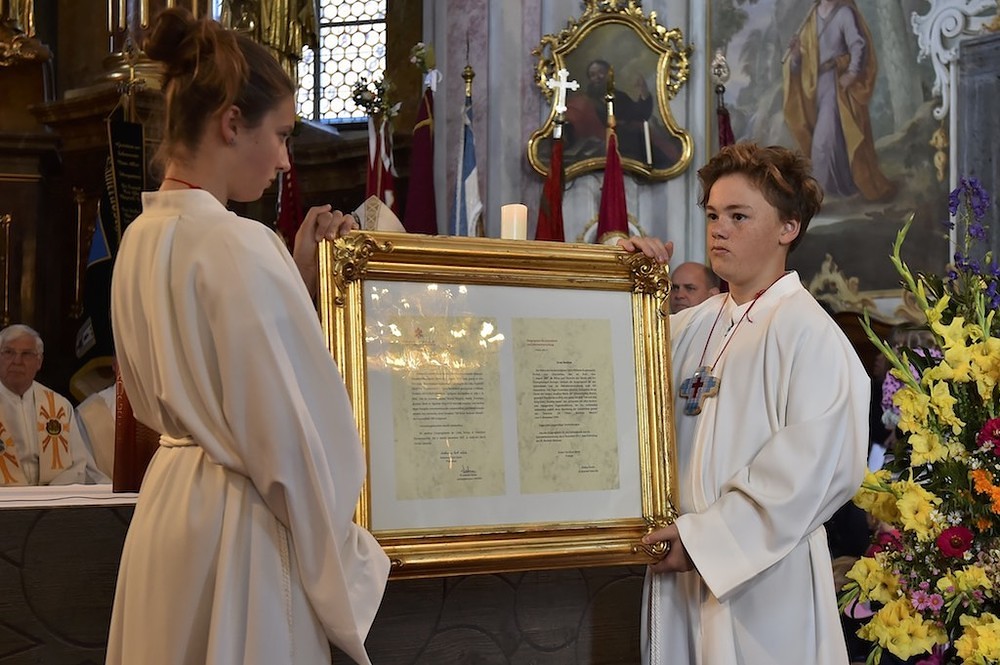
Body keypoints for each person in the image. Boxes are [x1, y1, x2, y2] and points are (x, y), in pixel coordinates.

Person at [105, 8, 388, 665]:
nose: (286, 160)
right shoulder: (240, 243)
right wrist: (350, 557)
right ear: (232, 123)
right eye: (281, 135)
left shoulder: (139, 239)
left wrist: (293, 282)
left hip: (166, 514)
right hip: (238, 532)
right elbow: (290, 441)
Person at [619, 142, 869, 664]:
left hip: (763, 584)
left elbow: (811, 472)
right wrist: (620, 281)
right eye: (713, 215)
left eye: (738, 216)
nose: (718, 230)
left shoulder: (809, 333)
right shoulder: (689, 324)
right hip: (677, 570)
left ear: (788, 228)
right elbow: (607, 379)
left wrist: (703, 542)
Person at [783, 0, 894, 201]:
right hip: (815, 87)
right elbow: (800, 64)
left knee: (823, 141)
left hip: (835, 84)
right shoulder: (811, 18)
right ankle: (842, 188)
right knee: (835, 138)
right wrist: (797, 55)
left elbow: (858, 45)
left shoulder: (844, 14)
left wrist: (852, 73)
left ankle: (818, 195)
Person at [0, 324, 108, 486]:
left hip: (53, 495)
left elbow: (77, 463)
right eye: (9, 352)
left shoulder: (59, 406)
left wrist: (51, 494)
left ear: (39, 362)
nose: (17, 361)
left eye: (27, 354)